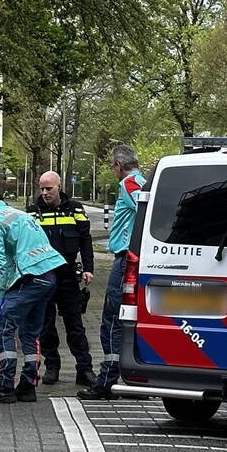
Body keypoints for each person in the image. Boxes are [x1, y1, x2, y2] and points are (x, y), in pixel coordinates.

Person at [0, 184, 66, 404]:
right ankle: (28, 385)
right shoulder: (21, 214)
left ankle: (5, 385)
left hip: (30, 276)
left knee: (4, 326)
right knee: (30, 332)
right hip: (49, 274)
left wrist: (0, 294)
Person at [78, 145, 146, 400]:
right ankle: (136, 378)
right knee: (130, 319)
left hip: (124, 259)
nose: (112, 169)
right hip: (134, 259)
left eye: (111, 165)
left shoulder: (129, 185)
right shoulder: (144, 181)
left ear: (119, 165)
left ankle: (107, 380)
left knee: (112, 319)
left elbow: (144, 211)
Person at [27, 171, 96, 386]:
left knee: (74, 324)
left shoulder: (75, 209)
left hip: (67, 275)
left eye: (49, 188)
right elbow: (26, 244)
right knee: (46, 325)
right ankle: (52, 366)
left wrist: (88, 268)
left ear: (59, 187)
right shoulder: (33, 212)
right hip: (44, 275)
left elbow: (85, 239)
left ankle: (84, 369)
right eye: (42, 188)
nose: (45, 193)